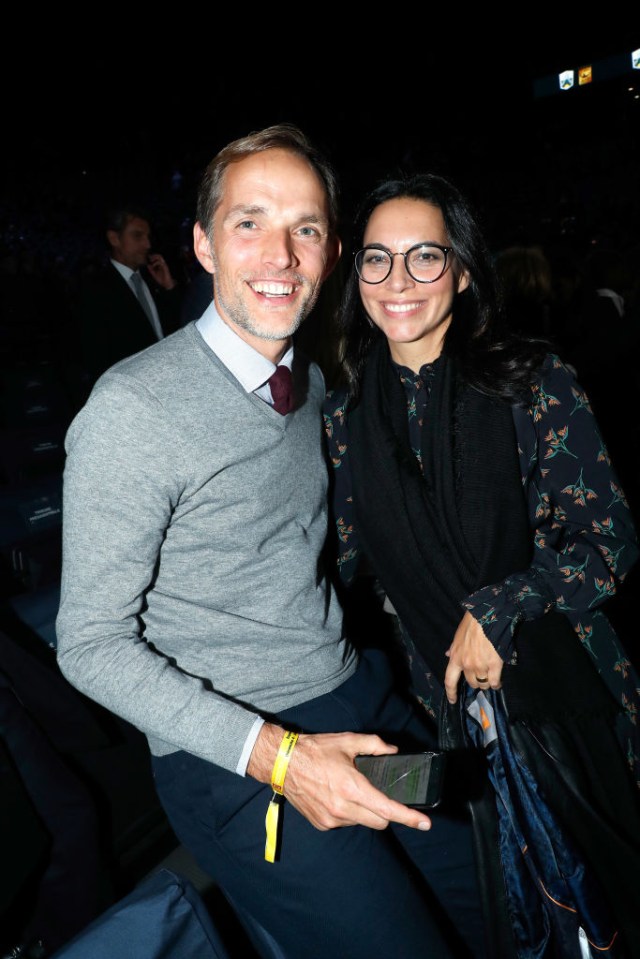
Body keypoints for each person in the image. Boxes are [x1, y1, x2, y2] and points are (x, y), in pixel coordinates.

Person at [56, 125, 486, 959]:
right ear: (202, 245)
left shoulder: (312, 381)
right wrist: (281, 758)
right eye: (250, 222)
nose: (281, 254)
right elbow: (90, 646)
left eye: (308, 228)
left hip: (359, 702)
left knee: (493, 902)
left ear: (330, 256)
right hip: (238, 753)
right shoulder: (133, 409)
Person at [323, 171, 640, 957]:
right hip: (455, 726)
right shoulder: (343, 418)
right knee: (526, 923)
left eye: (425, 257)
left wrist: (499, 609)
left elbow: (613, 546)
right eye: (377, 259)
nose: (398, 281)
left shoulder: (533, 380)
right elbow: (352, 572)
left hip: (571, 700)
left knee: (614, 904)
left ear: (463, 272)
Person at [73, 205, 182, 391]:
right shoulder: (95, 290)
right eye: (138, 236)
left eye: (147, 237)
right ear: (114, 238)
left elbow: (175, 328)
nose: (147, 244)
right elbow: (97, 356)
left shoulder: (154, 277)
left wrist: (169, 287)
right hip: (133, 390)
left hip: (170, 379)